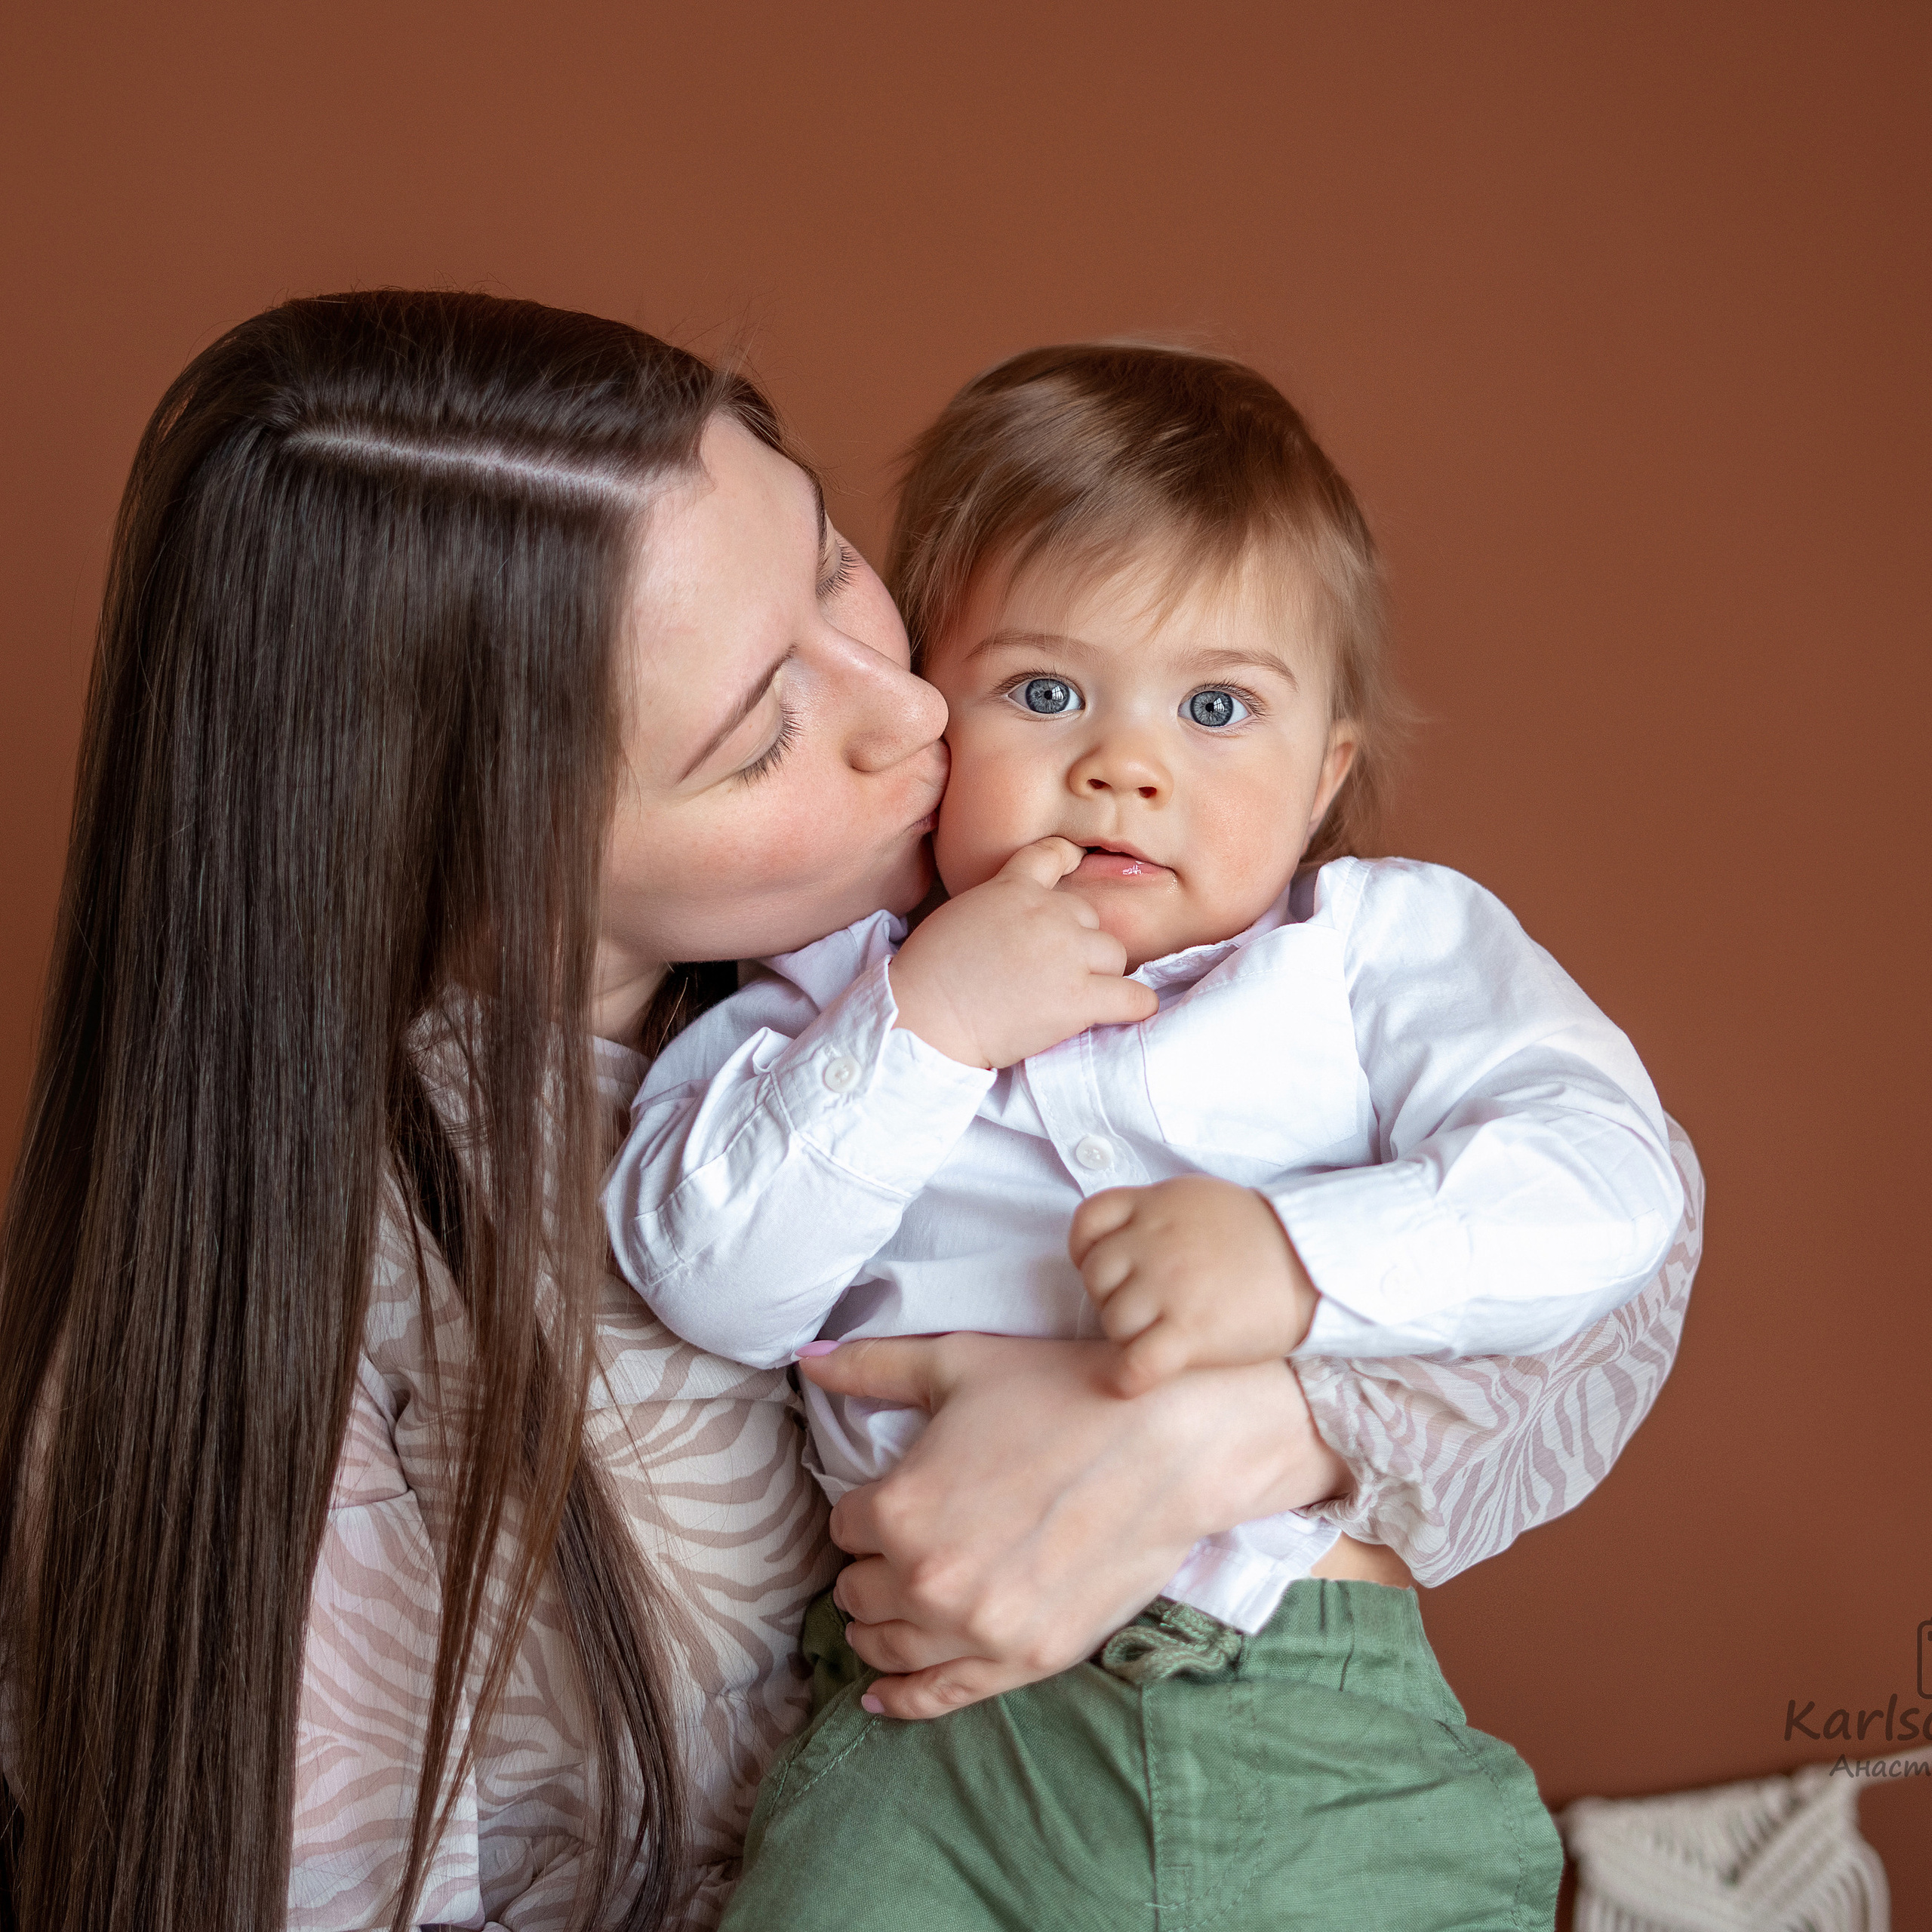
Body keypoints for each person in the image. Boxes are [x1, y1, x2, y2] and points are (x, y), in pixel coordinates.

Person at [0, 292, 1703, 1932]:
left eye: (833, 563)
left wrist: (1221, 1427)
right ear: (494, 856)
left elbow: (1617, 1238)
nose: (919, 709)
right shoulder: (318, 1363)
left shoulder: (1069, 941)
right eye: (762, 731)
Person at [604, 343, 1684, 1929]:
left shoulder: (1370, 956)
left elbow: (1609, 1187)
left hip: (1313, 1722)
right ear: (935, 727)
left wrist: (1296, 1262)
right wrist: (931, 1023)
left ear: (1324, 775)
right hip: (935, 1750)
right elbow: (714, 1278)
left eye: (1217, 704)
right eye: (1044, 690)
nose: (1126, 760)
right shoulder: (834, 996)